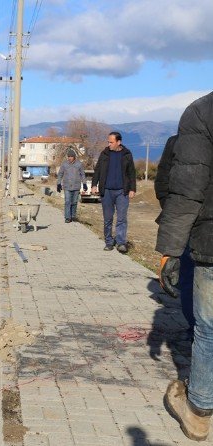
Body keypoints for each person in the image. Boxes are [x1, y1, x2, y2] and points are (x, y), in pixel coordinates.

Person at [156, 91, 213, 442]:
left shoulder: (202, 112)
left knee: (208, 329)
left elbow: (187, 189)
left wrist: (169, 251)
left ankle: (199, 412)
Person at [154, 135, 196, 335]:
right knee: (188, 278)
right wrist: (171, 210)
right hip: (187, 222)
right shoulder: (177, 142)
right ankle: (196, 329)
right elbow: (162, 180)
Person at [91, 131, 137, 253]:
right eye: (108, 142)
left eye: (111, 142)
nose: (109, 144)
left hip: (122, 191)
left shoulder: (127, 154)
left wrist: (132, 188)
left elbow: (132, 172)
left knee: (122, 218)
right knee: (108, 219)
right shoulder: (105, 154)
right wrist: (94, 185)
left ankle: (121, 243)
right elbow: (98, 170)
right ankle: (109, 242)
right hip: (106, 192)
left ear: (118, 142)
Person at [56, 148, 86, 223]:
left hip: (76, 186)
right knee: (67, 201)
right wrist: (58, 183)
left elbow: (82, 174)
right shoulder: (64, 164)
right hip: (67, 186)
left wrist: (84, 183)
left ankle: (73, 216)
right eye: (68, 156)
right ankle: (67, 217)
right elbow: (60, 174)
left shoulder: (79, 164)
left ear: (74, 157)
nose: (69, 158)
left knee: (74, 202)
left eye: (71, 156)